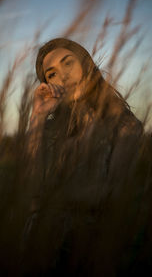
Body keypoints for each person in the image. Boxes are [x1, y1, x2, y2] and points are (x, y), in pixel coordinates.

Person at [21, 38, 143, 275]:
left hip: (88, 249)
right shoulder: (50, 129)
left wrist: (49, 197)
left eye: (68, 63)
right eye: (52, 74)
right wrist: (36, 118)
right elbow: (29, 187)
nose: (63, 76)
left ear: (87, 64)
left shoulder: (125, 126)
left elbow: (111, 194)